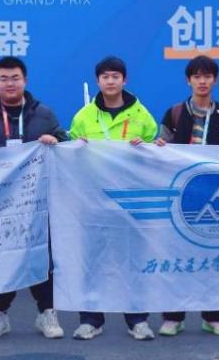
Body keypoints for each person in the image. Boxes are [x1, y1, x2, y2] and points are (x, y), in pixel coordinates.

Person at [0, 56, 68, 339]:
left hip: (37, 201)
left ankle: (47, 313)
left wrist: (56, 141)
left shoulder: (44, 114)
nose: (10, 83)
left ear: (25, 80)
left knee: (40, 256)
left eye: (15, 78)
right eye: (4, 79)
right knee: (2, 256)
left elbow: (64, 143)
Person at [68, 56, 159, 341]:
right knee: (92, 262)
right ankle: (90, 320)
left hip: (131, 201)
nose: (110, 81)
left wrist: (149, 147)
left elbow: (156, 153)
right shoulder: (84, 116)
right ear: (98, 81)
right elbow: (70, 156)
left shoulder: (141, 115)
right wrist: (75, 147)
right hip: (93, 200)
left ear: (124, 80)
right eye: (105, 77)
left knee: (132, 261)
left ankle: (137, 320)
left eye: (115, 76)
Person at [154, 55, 219, 337]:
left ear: (215, 80)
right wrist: (159, 146)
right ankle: (173, 317)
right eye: (197, 76)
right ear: (188, 80)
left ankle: (213, 317)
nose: (202, 81)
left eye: (208, 76)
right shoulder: (175, 112)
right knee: (177, 258)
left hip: (215, 194)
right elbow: (162, 146)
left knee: (215, 259)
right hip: (182, 194)